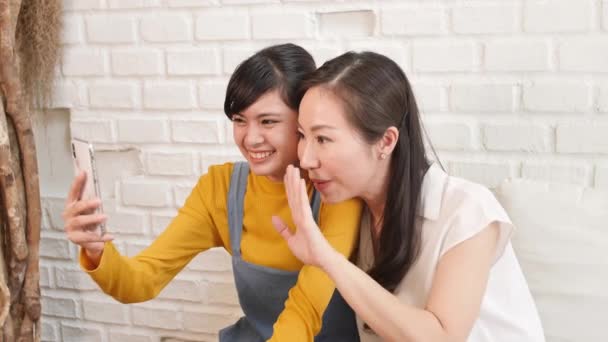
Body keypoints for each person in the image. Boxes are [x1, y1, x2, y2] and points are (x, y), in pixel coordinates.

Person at [62, 44, 362, 342]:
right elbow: (140, 281)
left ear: (303, 121)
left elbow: (306, 310)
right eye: (240, 120)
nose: (251, 138)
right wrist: (96, 249)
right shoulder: (221, 188)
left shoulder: (333, 189)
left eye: (268, 121)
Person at [272, 51, 546, 341]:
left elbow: (442, 337)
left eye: (323, 139)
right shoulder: (354, 214)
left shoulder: (467, 209)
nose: (306, 159)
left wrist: (327, 258)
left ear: (386, 142)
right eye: (302, 135)